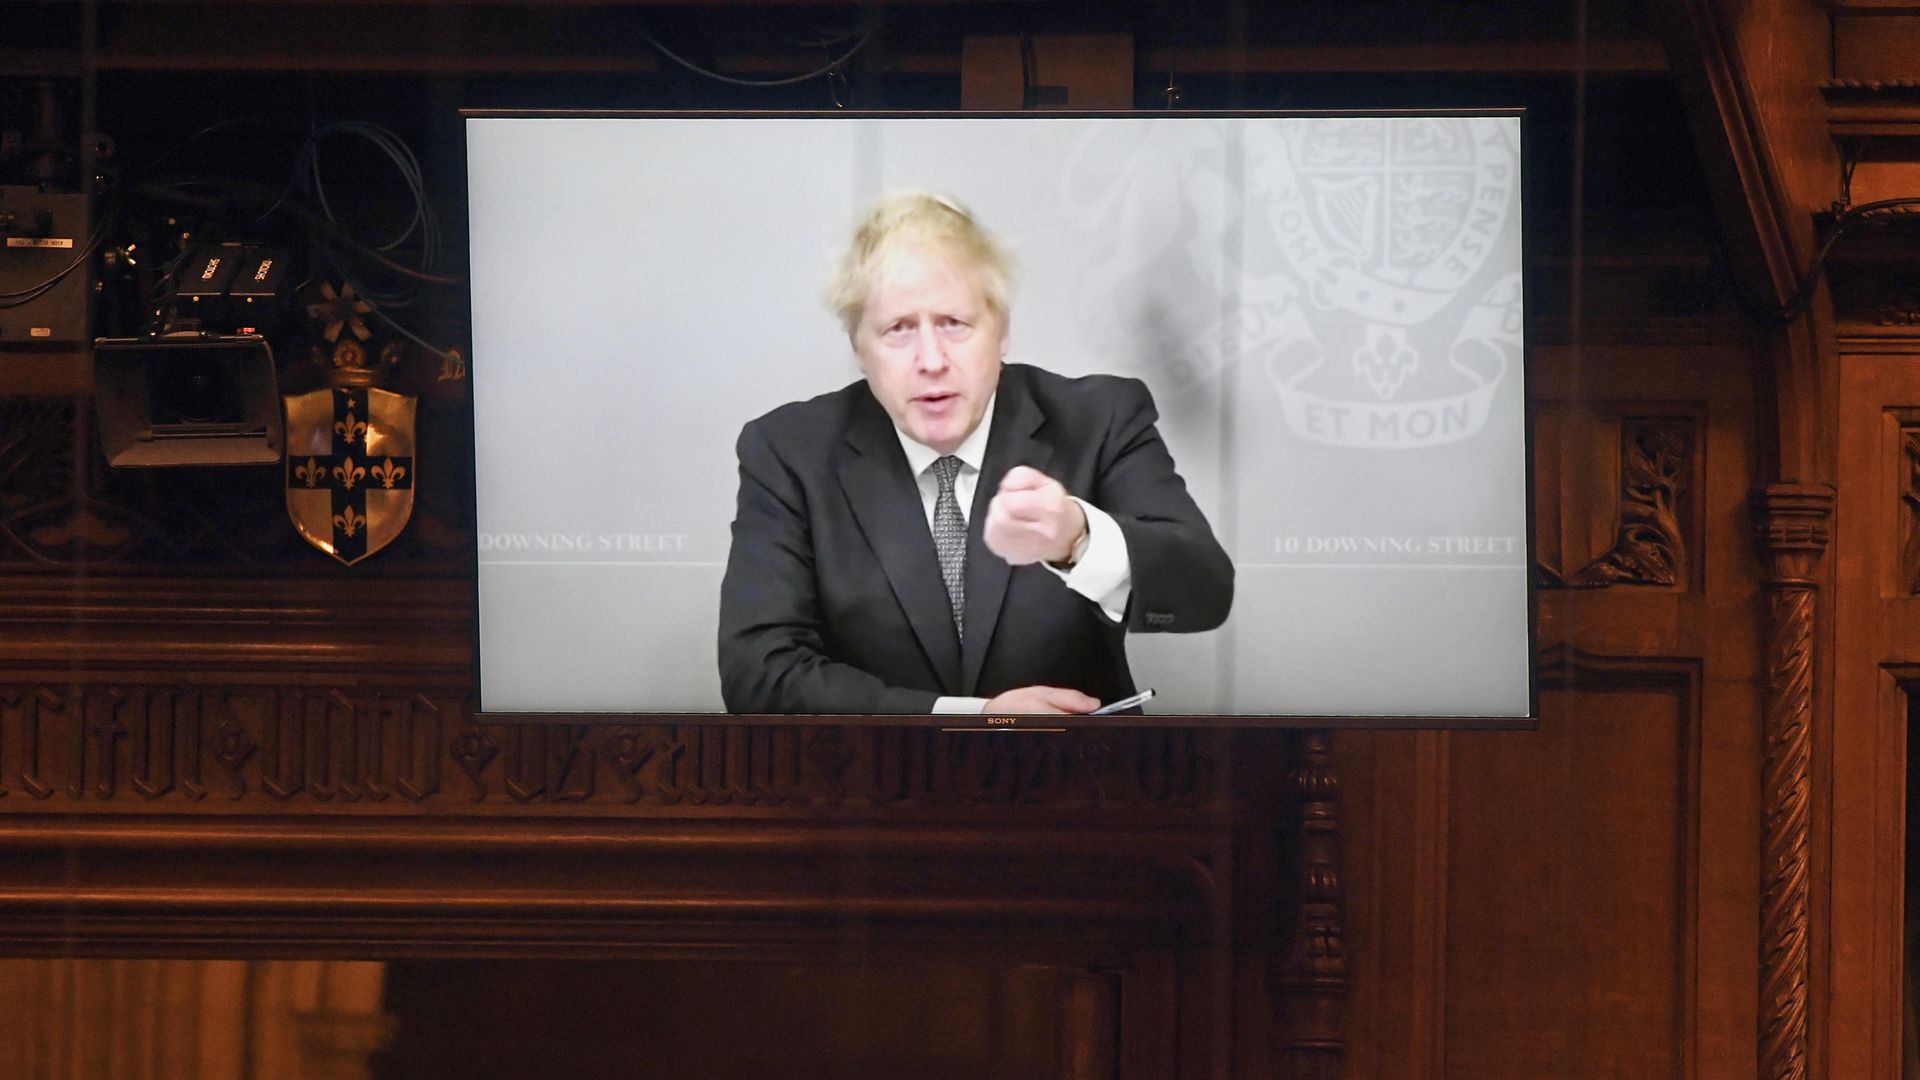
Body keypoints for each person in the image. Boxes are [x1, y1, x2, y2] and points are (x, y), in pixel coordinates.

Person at [717, 193, 1232, 715]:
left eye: (953, 324)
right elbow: (758, 674)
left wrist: (1076, 537)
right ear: (858, 348)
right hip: (872, 787)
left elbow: (1204, 593)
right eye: (898, 329)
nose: (932, 360)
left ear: (1001, 331)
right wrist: (975, 719)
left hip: (1076, 785)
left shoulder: (1097, 419)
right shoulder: (789, 452)